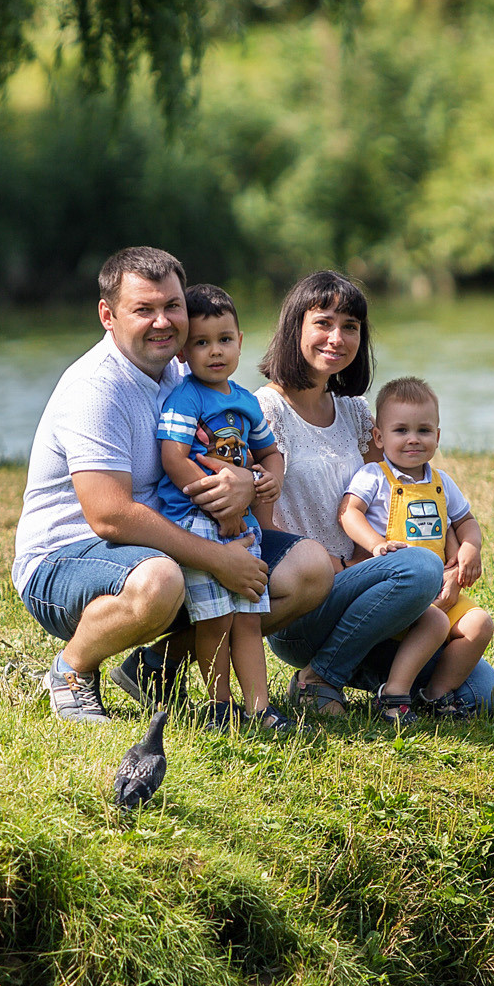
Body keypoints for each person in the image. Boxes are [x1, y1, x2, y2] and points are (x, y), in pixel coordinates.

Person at [12, 247, 329, 723]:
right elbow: (110, 516)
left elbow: (235, 447)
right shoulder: (96, 389)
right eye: (144, 309)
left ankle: (155, 668)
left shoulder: (185, 372)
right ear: (108, 315)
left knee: (309, 568)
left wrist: (246, 481)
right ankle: (71, 671)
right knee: (160, 581)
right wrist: (219, 560)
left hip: (173, 541)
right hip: (67, 557)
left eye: (172, 306)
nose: (163, 321)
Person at [253, 271, 494, 718]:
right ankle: (319, 677)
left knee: (485, 696)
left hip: (379, 594)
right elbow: (263, 527)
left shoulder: (353, 411)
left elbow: (404, 486)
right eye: (324, 323)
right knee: (416, 567)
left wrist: (453, 562)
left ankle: (390, 685)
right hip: (308, 598)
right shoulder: (266, 410)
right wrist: (329, 563)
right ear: (295, 326)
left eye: (350, 326)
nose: (337, 337)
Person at [152, 285, 286, 725]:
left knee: (248, 618)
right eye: (201, 342)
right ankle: (219, 708)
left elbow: (269, 452)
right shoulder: (186, 398)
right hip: (196, 520)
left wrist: (270, 478)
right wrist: (221, 508)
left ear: (241, 341)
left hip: (242, 523)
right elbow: (173, 457)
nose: (215, 352)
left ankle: (260, 708)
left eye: (224, 340)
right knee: (216, 621)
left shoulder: (247, 400)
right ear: (182, 353)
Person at [338, 376, 493, 723]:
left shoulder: (441, 482)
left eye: (424, 430)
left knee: (480, 623)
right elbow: (349, 512)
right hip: (396, 591)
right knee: (435, 622)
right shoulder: (373, 476)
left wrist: (470, 547)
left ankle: (436, 696)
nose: (413, 439)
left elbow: (466, 521)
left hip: (439, 590)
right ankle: (393, 694)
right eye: (400, 430)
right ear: (379, 437)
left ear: (437, 436)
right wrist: (375, 544)